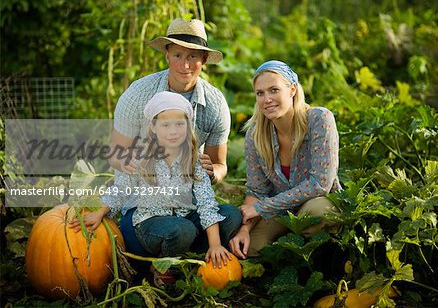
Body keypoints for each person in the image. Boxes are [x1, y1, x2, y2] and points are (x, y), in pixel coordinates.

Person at [70, 92, 241, 271]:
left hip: (185, 219)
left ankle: (201, 255)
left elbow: (206, 203)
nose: (173, 131)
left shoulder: (194, 160)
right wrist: (100, 212)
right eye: (165, 125)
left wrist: (215, 243)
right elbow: (121, 189)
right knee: (182, 230)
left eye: (179, 124)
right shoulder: (139, 157)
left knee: (231, 215)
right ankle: (163, 268)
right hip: (150, 223)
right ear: (153, 126)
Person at [106, 18, 231, 255]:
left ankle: (196, 250)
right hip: (144, 208)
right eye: (178, 55)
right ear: (167, 55)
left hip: (188, 205)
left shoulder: (215, 105)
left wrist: (212, 171)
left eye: (193, 56)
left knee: (231, 216)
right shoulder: (137, 95)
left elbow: (220, 165)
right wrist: (130, 163)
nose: (185, 65)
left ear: (204, 59)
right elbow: (115, 155)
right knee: (180, 229)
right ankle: (165, 250)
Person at [229, 60, 341, 259]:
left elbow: (320, 184)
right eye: (260, 93)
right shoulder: (255, 135)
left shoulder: (319, 119)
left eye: (274, 90)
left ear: (292, 90)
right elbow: (257, 190)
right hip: (281, 211)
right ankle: (285, 258)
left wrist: (262, 208)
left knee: (317, 213)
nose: (267, 99)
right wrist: (244, 229)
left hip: (318, 202)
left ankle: (324, 262)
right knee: (253, 247)